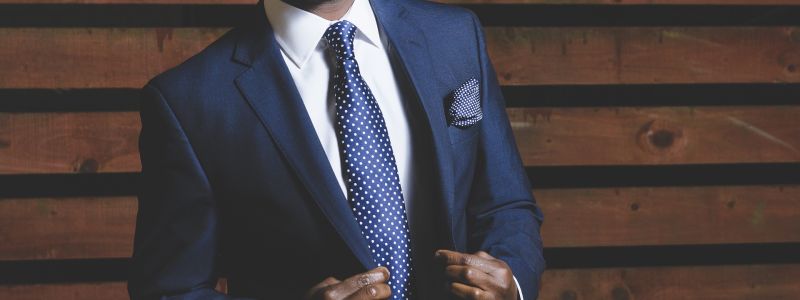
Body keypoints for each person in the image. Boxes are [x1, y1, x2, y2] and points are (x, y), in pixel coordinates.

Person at [127, 0, 544, 299]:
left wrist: (515, 285)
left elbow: (505, 205)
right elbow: (169, 288)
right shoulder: (190, 100)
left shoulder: (454, 35)